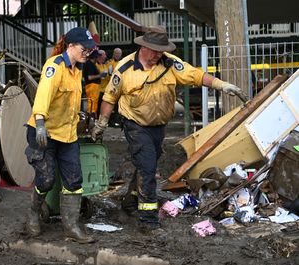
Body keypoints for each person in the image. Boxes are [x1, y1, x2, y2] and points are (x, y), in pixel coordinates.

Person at [91, 26, 246, 230]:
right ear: (143, 47)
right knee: (148, 168)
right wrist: (102, 123)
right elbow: (109, 98)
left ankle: (130, 201)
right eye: (154, 50)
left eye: (161, 50)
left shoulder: (170, 63)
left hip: (159, 125)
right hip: (135, 124)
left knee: (146, 164)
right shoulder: (125, 68)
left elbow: (195, 75)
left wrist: (221, 85)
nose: (158, 54)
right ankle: (148, 221)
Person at [25, 27, 96, 243]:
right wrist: (39, 123)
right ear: (71, 46)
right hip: (43, 132)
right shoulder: (54, 66)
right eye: (84, 49)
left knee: (74, 180)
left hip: (67, 134)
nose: (87, 54)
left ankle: (71, 226)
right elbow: (43, 96)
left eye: (90, 51)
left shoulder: (77, 70)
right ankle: (33, 213)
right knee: (46, 180)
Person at [83, 50, 104, 116]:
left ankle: (91, 117)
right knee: (92, 101)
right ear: (95, 57)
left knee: (93, 102)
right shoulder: (90, 64)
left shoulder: (91, 64)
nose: (99, 58)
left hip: (93, 86)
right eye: (98, 57)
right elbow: (89, 77)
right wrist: (100, 75)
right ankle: (90, 118)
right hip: (92, 85)